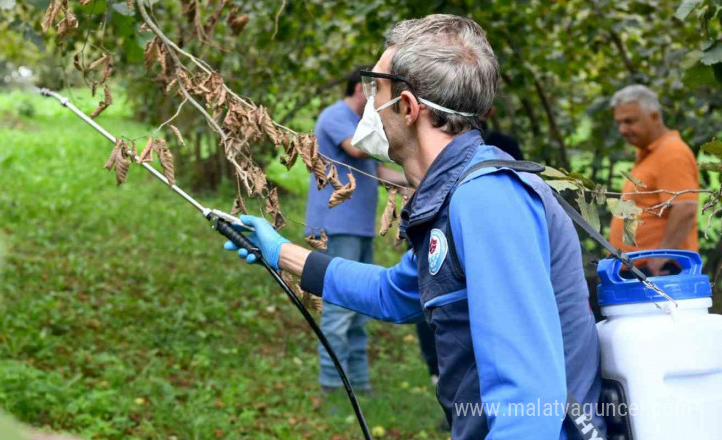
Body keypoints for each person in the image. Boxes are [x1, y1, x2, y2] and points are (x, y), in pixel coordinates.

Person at [225, 15, 603, 439]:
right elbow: (393, 293)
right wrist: (277, 251)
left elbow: (528, 400)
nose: (369, 107)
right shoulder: (456, 193)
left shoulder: (486, 198)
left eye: (376, 90)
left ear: (407, 107)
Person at [305, 67, 408, 394]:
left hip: (360, 229)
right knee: (338, 308)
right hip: (338, 226)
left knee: (359, 309)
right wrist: (404, 138)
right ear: (363, 90)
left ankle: (360, 387)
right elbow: (356, 149)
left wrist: (419, 178)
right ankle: (333, 389)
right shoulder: (336, 117)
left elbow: (378, 171)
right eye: (378, 92)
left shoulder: (360, 124)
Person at [608, 85, 700, 275]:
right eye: (619, 123)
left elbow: (685, 208)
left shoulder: (672, 152)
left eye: (630, 121)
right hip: (641, 269)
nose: (622, 129)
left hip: (660, 271)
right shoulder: (650, 153)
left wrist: (660, 258)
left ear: (655, 116)